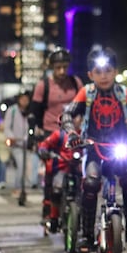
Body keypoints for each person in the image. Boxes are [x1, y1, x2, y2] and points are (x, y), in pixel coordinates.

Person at [61, 46, 127, 251]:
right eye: (98, 72)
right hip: (93, 148)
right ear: (90, 74)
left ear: (115, 71)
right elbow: (67, 115)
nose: (103, 76)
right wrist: (73, 134)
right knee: (91, 183)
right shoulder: (86, 92)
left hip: (121, 148)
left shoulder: (125, 93)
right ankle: (86, 234)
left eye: (108, 71)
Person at [30, 48, 83, 231]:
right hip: (50, 133)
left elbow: (84, 105)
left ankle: (78, 206)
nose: (62, 71)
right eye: (58, 67)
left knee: (78, 169)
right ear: (52, 67)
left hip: (72, 133)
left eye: (65, 67)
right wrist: (35, 137)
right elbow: (35, 113)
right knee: (52, 172)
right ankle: (49, 209)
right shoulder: (43, 85)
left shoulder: (76, 83)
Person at [37, 116, 82, 234]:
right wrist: (44, 151)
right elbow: (44, 144)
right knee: (56, 192)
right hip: (60, 169)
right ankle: (54, 217)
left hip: (77, 169)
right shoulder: (59, 135)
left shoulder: (83, 135)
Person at [3, 90, 37, 194]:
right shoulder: (12, 110)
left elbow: (32, 127)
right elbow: (7, 127)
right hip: (16, 145)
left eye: (27, 99)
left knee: (28, 167)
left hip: (26, 144)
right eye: (22, 99)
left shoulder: (30, 112)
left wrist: (30, 137)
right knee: (21, 165)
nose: (25, 101)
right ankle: (17, 187)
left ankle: (26, 185)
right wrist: (12, 137)